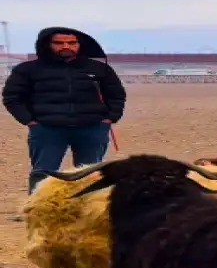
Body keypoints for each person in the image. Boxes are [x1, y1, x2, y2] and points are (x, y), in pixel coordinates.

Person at [2, 26, 126, 195]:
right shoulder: (28, 70)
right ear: (48, 44)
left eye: (71, 43)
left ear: (79, 45)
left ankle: (85, 210)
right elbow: (12, 97)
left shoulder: (98, 68)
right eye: (59, 43)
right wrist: (30, 121)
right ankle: (36, 210)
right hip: (47, 129)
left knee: (89, 173)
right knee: (43, 172)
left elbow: (116, 95)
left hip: (92, 128)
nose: (66, 46)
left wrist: (110, 118)